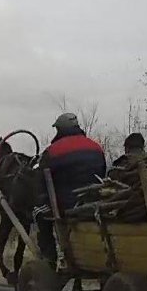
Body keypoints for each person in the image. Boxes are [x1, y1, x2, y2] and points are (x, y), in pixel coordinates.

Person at [33, 112, 106, 262]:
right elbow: (102, 173)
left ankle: (49, 258)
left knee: (38, 212)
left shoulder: (52, 151)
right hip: (96, 203)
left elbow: (42, 183)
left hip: (68, 205)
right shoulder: (96, 147)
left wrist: (42, 199)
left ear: (60, 130)